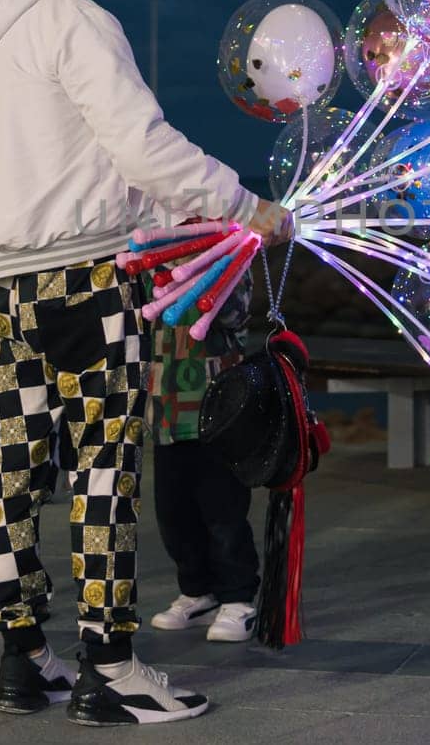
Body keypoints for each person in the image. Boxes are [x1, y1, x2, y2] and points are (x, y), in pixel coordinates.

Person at [0, 0, 291, 727]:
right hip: (84, 280)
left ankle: (21, 659)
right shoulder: (74, 22)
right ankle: (108, 662)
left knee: (10, 460)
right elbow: (140, 144)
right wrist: (241, 204)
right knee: (101, 468)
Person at [147, 263, 260, 643]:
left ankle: (238, 597)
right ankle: (197, 591)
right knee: (174, 512)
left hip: (218, 407)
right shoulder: (149, 261)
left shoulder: (229, 255)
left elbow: (237, 313)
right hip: (166, 407)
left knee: (223, 509)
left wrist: (202, 274)